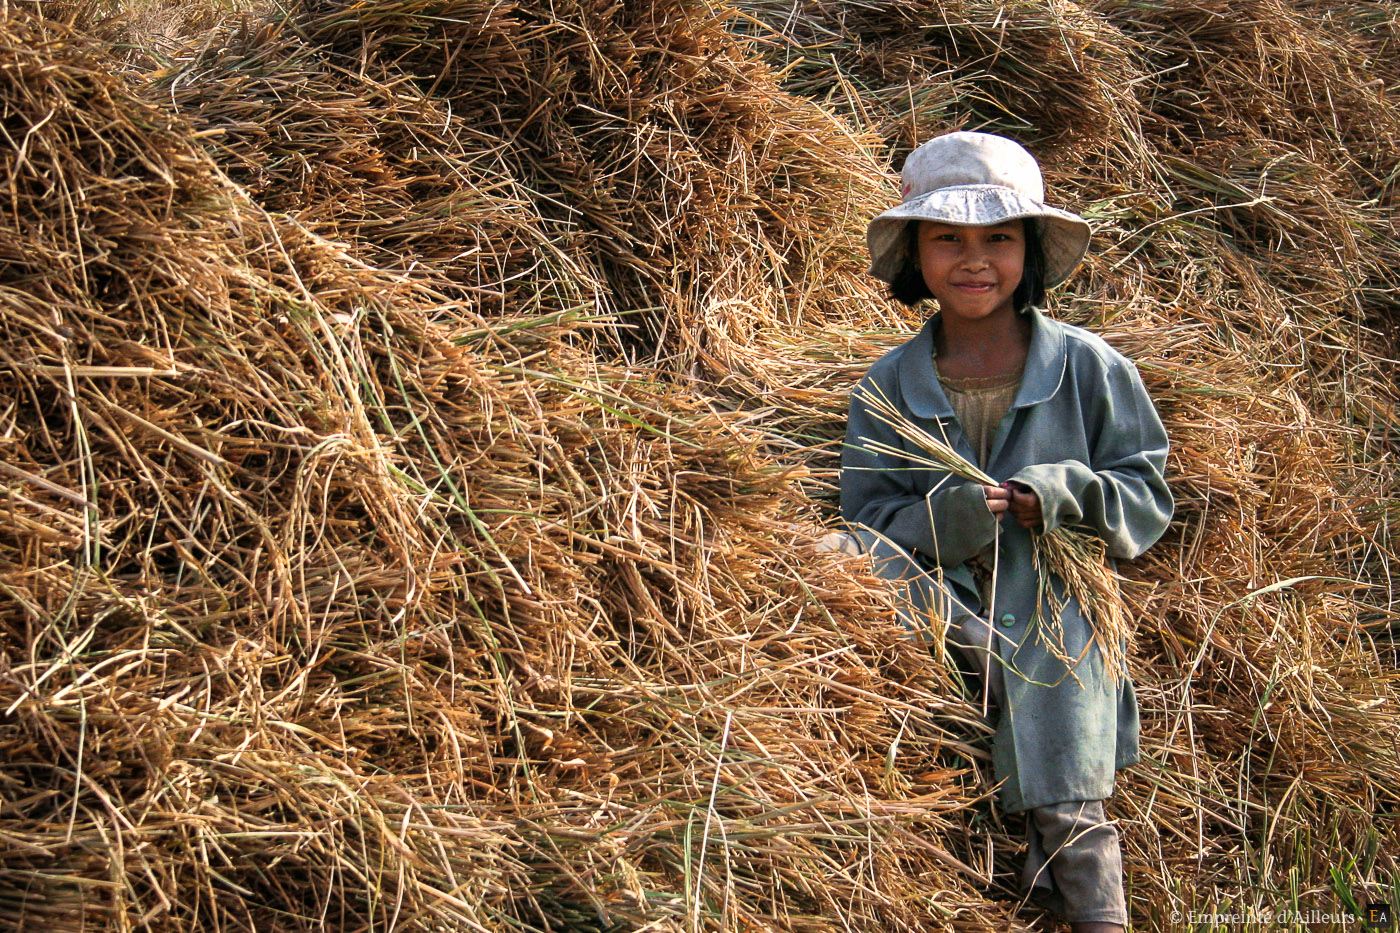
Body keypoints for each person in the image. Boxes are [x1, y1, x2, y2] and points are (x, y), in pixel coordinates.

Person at [834, 131, 1173, 931]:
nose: (973, 259)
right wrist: (945, 520)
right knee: (834, 556)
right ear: (916, 254)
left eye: (999, 239)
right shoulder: (887, 386)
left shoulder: (1089, 368)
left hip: (1057, 606)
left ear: (1031, 253)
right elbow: (866, 519)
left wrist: (1055, 492)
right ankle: (976, 661)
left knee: (1064, 770)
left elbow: (1144, 493)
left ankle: (1094, 907)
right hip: (935, 601)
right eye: (947, 238)